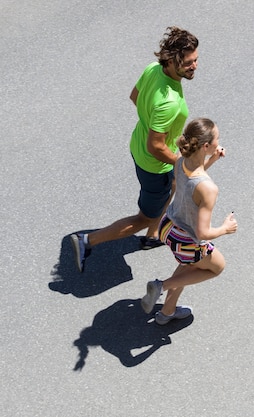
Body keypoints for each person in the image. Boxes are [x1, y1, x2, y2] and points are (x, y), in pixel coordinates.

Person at [71, 27, 199, 272]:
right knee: (144, 216)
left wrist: (158, 127)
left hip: (138, 145)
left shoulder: (154, 69)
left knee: (171, 186)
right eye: (189, 62)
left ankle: (153, 235)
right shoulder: (169, 102)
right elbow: (156, 146)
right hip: (154, 164)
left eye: (196, 60)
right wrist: (179, 164)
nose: (194, 66)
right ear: (172, 61)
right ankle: (87, 241)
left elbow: (135, 96)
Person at [140, 118, 237, 325]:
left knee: (188, 266)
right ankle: (160, 286)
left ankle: (166, 312)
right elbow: (202, 233)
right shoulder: (209, 189)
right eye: (217, 139)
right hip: (186, 238)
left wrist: (212, 160)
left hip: (167, 226)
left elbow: (193, 179)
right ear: (205, 146)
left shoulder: (180, 160)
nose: (219, 141)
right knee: (217, 267)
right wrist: (225, 229)